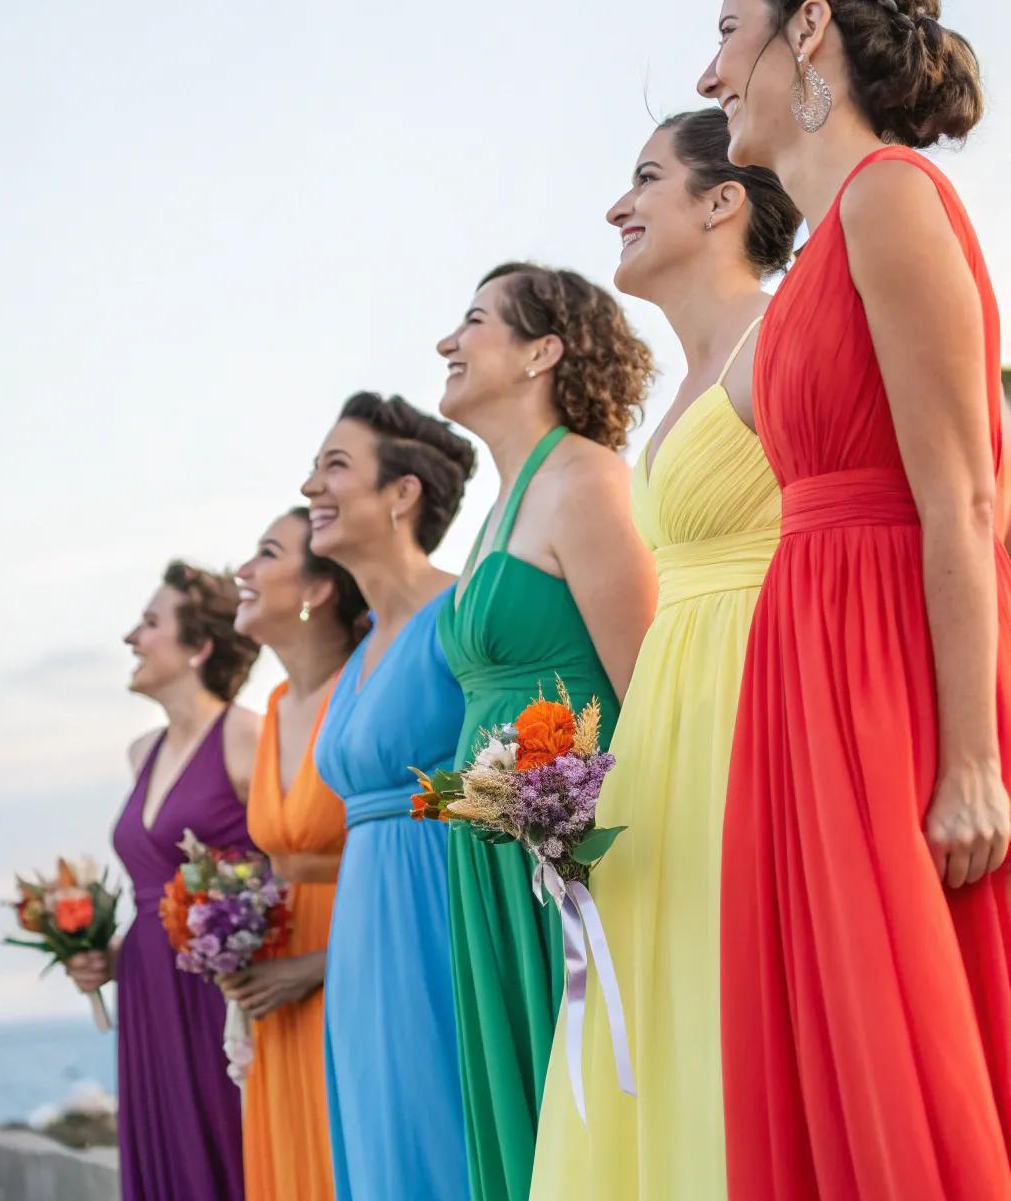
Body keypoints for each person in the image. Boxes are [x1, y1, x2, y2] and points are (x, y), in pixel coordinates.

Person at [698, 0, 1011, 1199]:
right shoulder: (817, 247)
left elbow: (964, 496)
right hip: (804, 660)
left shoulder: (891, 197)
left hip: (885, 659)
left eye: (726, 33)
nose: (712, 73)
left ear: (807, 26)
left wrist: (971, 758)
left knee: (906, 1034)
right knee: (819, 1031)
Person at [530, 111, 799, 1199]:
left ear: (722, 200)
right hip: (671, 738)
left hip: (760, 702)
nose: (616, 207)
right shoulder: (669, 416)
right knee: (671, 1004)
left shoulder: (781, 340)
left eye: (645, 179)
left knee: (744, 1006)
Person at [434, 262, 656, 1201]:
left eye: (474, 321)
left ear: (542, 351)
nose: (449, 342)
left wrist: (571, 833)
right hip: (491, 855)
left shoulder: (587, 481)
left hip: (572, 859)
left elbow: (647, 687)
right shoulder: (499, 508)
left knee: (584, 1093)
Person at [303, 393, 474, 1201]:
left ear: (401, 494)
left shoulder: (466, 611)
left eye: (335, 465)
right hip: (363, 943)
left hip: (440, 915)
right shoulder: (364, 644)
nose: (311, 487)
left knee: (443, 1136)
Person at [67, 562, 261, 1201]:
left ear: (199, 646)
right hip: (147, 990)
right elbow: (156, 897)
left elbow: (278, 868)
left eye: (151, 623)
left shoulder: (245, 736)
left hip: (219, 992)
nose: (132, 638)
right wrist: (110, 957)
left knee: (225, 1153)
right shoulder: (140, 752)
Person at [222, 508, 366, 1200]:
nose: (242, 572)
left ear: (316, 591)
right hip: (277, 992)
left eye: (266, 554)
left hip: (353, 968)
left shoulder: (367, 688)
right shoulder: (276, 703)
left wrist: (321, 964)